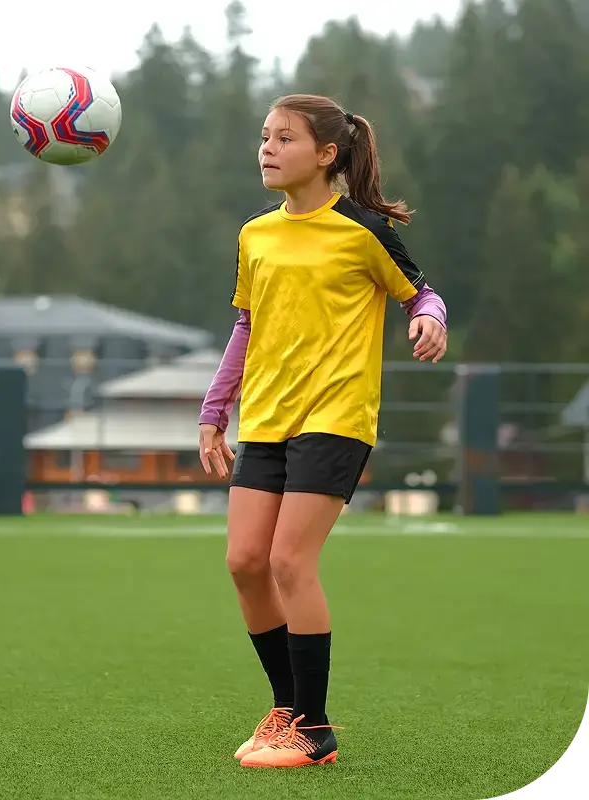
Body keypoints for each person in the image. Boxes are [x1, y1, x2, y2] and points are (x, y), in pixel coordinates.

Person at [198, 94, 448, 769]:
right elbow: (246, 326)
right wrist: (214, 411)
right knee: (245, 563)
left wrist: (429, 318)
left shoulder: (363, 230)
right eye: (264, 136)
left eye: (285, 138)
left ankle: (315, 731)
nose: (268, 148)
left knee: (289, 561)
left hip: (337, 418)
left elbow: (420, 292)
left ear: (327, 154)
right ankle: (287, 712)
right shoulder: (256, 235)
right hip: (267, 419)